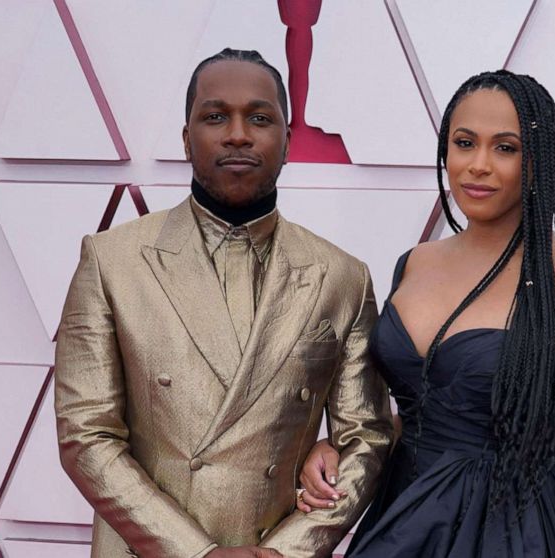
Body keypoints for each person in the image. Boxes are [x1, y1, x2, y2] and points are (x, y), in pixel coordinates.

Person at [55, 48, 393, 558]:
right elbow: (86, 435)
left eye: (259, 118)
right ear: (187, 138)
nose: (238, 134)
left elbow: (365, 436)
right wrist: (197, 552)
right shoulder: (111, 261)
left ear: (287, 141)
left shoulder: (343, 277)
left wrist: (289, 551)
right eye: (216, 117)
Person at [296, 70, 555, 557]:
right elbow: (416, 408)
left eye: (505, 148)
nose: (478, 165)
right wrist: (339, 449)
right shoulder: (417, 262)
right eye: (465, 143)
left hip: (513, 531)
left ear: (538, 160)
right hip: (405, 517)